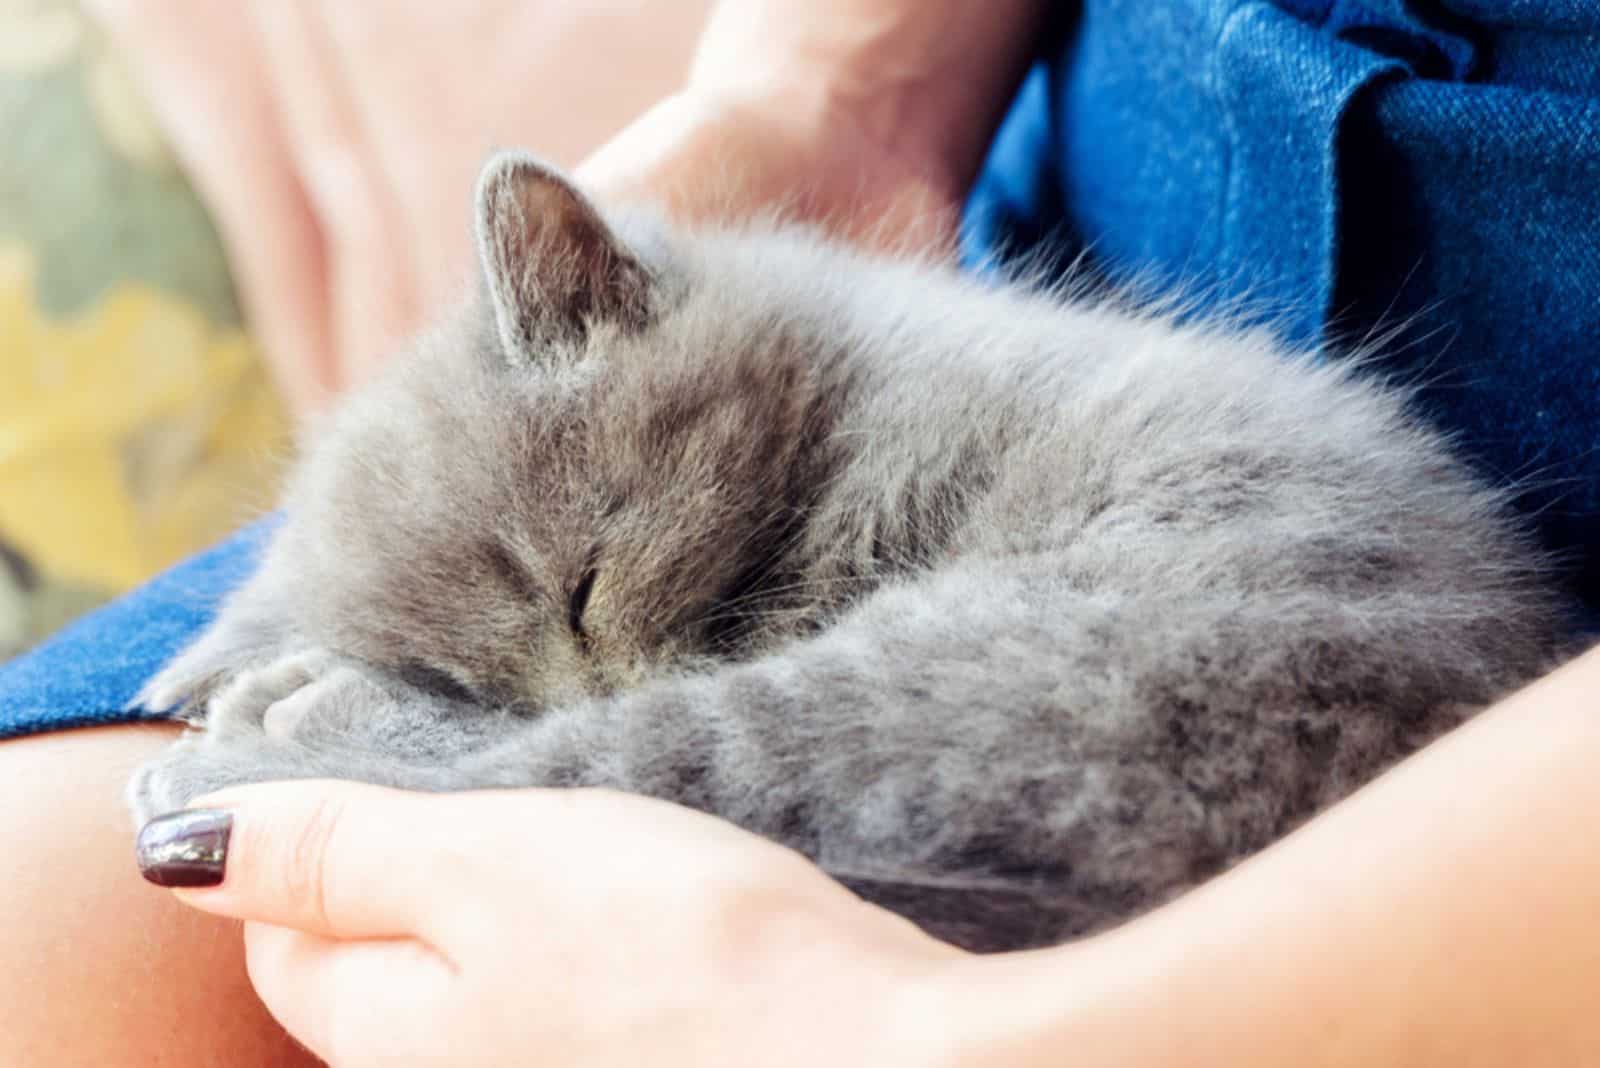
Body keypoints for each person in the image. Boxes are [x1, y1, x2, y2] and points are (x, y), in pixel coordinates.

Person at [3, 0, 1598, 1063]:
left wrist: (967, 1040)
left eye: (587, 593)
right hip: (1131, 140)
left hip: (1434, 596)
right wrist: (817, 95)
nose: (588, 678)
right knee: (44, 952)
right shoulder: (654, 402)